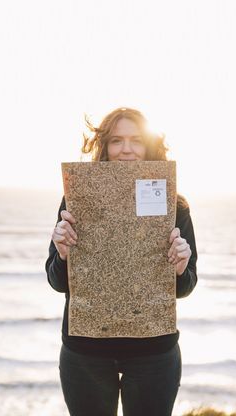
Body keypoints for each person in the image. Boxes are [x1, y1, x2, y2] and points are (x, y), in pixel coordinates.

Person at [45, 107, 198, 416]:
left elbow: (186, 286)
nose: (126, 149)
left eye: (136, 140)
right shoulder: (75, 199)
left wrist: (180, 267)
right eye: (116, 141)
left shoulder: (174, 204)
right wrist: (62, 253)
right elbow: (57, 281)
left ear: (149, 146)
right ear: (104, 147)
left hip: (154, 352)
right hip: (86, 353)